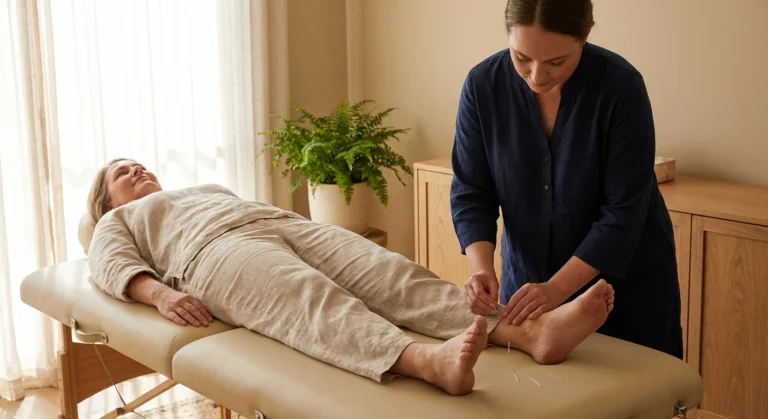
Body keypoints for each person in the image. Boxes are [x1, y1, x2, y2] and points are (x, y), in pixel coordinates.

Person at [85, 158, 615, 396]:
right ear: (108, 200)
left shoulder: (204, 190)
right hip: (211, 256)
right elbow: (105, 261)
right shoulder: (119, 221)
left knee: (389, 272)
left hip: (277, 221)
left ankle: (526, 332)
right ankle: (426, 362)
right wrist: (157, 294)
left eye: (139, 164)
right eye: (122, 174)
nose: (138, 171)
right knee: (311, 300)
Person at [451, 0, 682, 359]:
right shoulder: (483, 86)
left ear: (584, 35)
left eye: (556, 62)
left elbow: (622, 213)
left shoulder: (621, 88)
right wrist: (481, 268)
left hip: (622, 289)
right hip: (528, 284)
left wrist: (556, 289)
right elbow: (471, 191)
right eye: (522, 58)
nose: (537, 76)